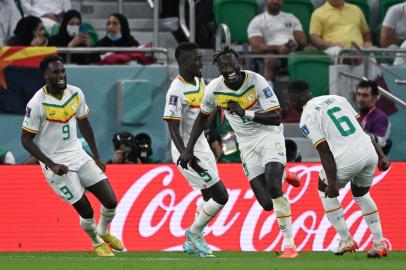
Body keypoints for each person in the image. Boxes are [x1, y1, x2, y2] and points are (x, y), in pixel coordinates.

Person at [178, 46, 300, 258]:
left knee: (273, 186)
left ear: (239, 63)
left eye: (232, 64)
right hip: (246, 146)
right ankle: (283, 171)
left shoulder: (256, 80)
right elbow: (201, 119)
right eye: (223, 66)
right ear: (219, 69)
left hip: (269, 136)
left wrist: (246, 113)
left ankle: (290, 246)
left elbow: (276, 117)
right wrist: (188, 150)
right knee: (267, 204)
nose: (229, 69)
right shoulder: (214, 89)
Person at [21, 55, 124, 256]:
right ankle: (96, 242)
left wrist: (95, 156)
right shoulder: (36, 104)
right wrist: (50, 164)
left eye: (63, 71)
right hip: (57, 164)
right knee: (86, 210)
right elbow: (25, 140)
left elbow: (85, 124)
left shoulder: (76, 93)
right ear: (45, 75)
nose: (61, 76)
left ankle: (103, 232)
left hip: (78, 154)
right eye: (55, 72)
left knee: (111, 201)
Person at [286, 80, 390, 258]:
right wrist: (381, 155)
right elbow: (362, 130)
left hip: (348, 158)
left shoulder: (307, 117)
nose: (289, 105)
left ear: (295, 100)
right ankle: (379, 243)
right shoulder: (337, 98)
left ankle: (345, 239)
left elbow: (325, 151)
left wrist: (332, 185)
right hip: (368, 152)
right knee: (362, 195)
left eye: (289, 101)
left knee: (323, 188)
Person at [162, 42, 229, 257]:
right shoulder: (176, 91)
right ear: (182, 61)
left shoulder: (200, 83)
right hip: (187, 151)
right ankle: (194, 233)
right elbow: (172, 127)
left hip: (202, 146)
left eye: (201, 58)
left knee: (209, 196)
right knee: (221, 196)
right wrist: (185, 153)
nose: (201, 63)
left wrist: (216, 104)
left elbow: (203, 123)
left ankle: (192, 242)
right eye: (196, 59)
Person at [248, 0, 311, 81]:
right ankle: (267, 90)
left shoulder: (291, 17)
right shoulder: (257, 21)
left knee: (312, 51)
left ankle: (308, 88)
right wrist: (278, 48)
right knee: (269, 60)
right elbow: (256, 47)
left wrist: (294, 45)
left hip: (292, 51)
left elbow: (302, 40)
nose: (275, 1)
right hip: (272, 54)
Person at [355, 80, 392, 155]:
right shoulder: (356, 113)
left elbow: (381, 142)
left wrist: (359, 134)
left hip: (372, 161)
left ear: (374, 98)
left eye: (365, 95)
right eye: (358, 94)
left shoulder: (380, 117)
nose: (360, 99)